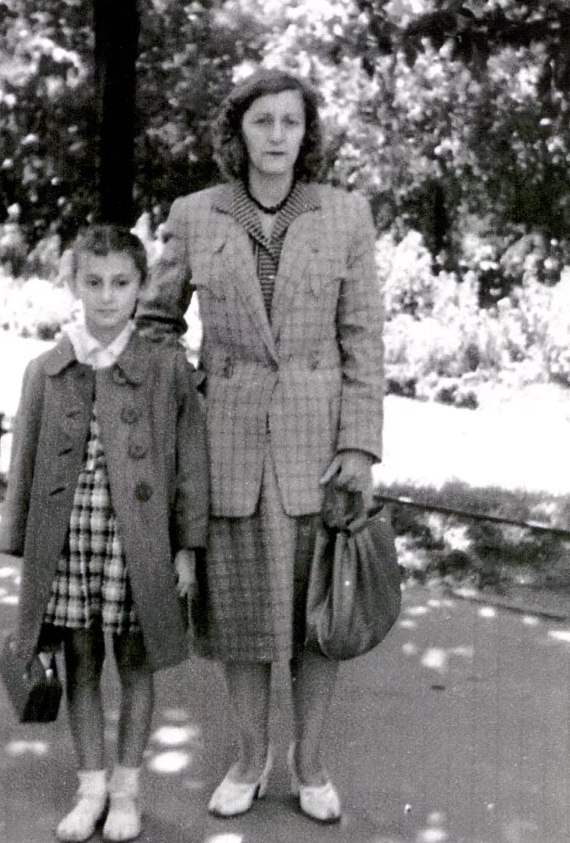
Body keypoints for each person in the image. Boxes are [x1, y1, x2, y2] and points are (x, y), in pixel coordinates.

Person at [138, 67, 385, 822]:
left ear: (307, 134)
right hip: (229, 448)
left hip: (322, 447)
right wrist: (192, 403)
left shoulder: (345, 214)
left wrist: (360, 445)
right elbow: (155, 325)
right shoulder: (195, 214)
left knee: (319, 620)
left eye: (290, 121)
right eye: (262, 121)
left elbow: (363, 338)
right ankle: (251, 758)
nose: (277, 136)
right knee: (242, 621)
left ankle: (310, 764)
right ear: (237, 131)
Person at [0, 225, 209, 843]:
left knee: (137, 665)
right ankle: (90, 788)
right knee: (81, 664)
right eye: (94, 282)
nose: (108, 296)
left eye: (121, 283)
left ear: (142, 287)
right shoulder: (47, 369)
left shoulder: (167, 369)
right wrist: (25, 553)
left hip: (138, 543)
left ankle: (126, 792)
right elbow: (25, 463)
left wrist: (186, 549)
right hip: (69, 542)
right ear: (73, 285)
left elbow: (190, 465)